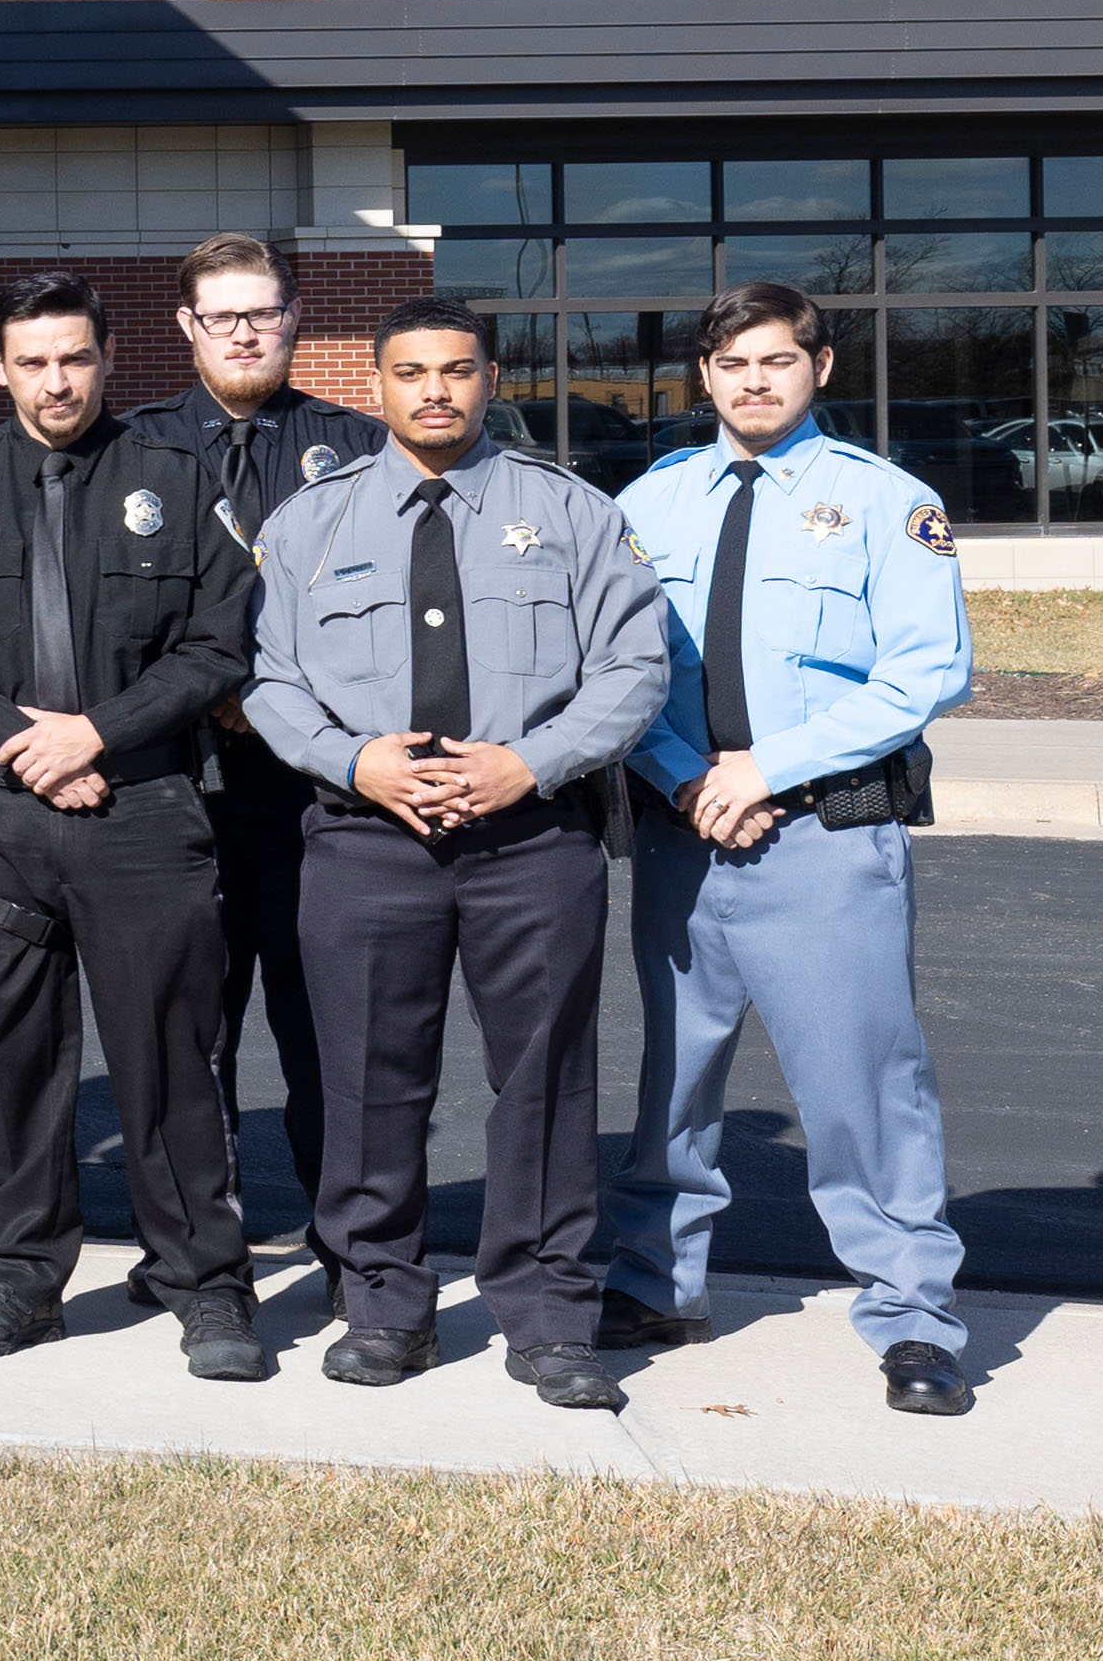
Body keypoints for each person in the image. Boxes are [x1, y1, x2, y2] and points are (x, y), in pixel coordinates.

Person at [244, 296, 668, 1411]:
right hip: (364, 838)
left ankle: (549, 1317)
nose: (434, 391)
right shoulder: (310, 523)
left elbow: (633, 667)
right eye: (411, 372)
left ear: (491, 378)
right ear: (376, 385)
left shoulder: (570, 511)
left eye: (457, 370)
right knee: (366, 1080)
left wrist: (531, 763)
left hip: (532, 836)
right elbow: (269, 681)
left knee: (544, 1080)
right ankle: (384, 1307)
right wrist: (353, 762)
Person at [0, 273, 271, 1383]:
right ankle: (19, 1278)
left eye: (75, 358)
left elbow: (219, 643)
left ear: (107, 359)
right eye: (34, 362)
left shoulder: (176, 480)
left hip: (143, 808)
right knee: (13, 1058)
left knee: (169, 1057)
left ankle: (204, 1282)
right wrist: (28, 748)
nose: (57, 382)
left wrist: (94, 734)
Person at [603, 282, 978, 1418]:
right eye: (732, 364)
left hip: (821, 834)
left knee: (862, 1084)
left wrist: (766, 769)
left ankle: (912, 1317)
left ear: (819, 366)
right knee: (672, 1081)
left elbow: (926, 671)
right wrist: (686, 775)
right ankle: (656, 1282)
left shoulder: (885, 502)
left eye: (775, 360)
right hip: (682, 831)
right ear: (704, 377)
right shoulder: (650, 502)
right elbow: (618, 667)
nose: (752, 382)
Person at [119, 233, 389, 1242]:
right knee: (189, 1033)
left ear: (294, 318)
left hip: (317, 792)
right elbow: (119, 618)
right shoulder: (132, 450)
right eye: (220, 315)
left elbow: (385, 619)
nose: (242, 332)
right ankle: (200, 1251)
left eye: (262, 312)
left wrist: (272, 696)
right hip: (178, 783)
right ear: (186, 325)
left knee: (328, 1032)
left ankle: (349, 1247)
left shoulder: (360, 449)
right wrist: (210, 689)